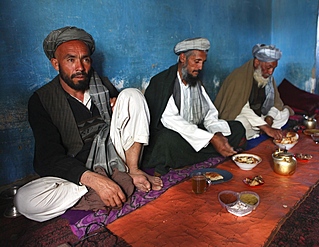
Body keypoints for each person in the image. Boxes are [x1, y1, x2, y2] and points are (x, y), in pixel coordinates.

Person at [14, 26, 162, 222]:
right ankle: (113, 185)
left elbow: (125, 124)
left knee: (132, 95)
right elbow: (47, 157)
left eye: (85, 59)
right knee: (24, 200)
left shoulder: (103, 86)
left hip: (114, 158)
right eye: (70, 60)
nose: (80, 67)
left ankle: (132, 172)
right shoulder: (42, 100)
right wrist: (94, 180)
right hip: (78, 169)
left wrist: (118, 107)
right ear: (56, 64)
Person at [141, 37, 246, 175]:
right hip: (174, 135)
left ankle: (188, 158)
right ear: (183, 58)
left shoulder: (195, 81)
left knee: (237, 127)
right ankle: (190, 156)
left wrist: (217, 134)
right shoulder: (163, 82)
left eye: (203, 62)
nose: (200, 67)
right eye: (196, 61)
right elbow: (172, 121)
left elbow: (209, 114)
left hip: (195, 134)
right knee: (167, 141)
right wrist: (211, 139)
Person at [214, 44, 294, 141]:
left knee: (284, 113)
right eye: (268, 67)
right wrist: (265, 127)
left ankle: (260, 131)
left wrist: (269, 118)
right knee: (241, 123)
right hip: (244, 115)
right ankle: (259, 132)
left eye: (274, 68)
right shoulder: (239, 77)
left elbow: (275, 103)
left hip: (260, 116)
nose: (270, 72)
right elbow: (242, 107)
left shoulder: (268, 78)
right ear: (257, 62)